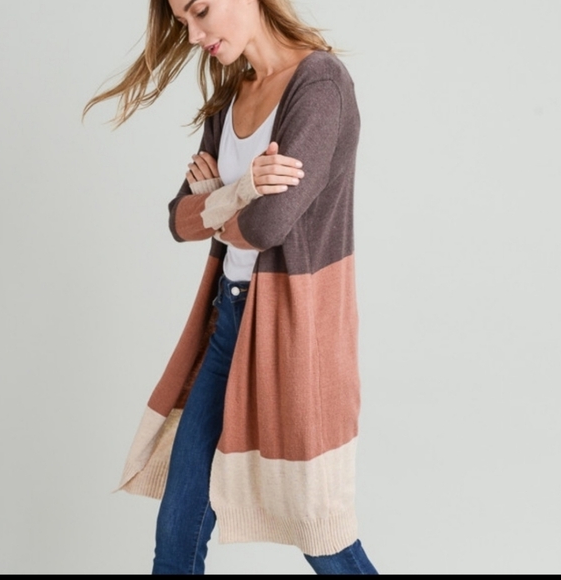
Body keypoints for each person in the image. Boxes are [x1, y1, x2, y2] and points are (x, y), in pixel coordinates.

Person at [84, 0, 378, 575]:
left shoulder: (319, 84)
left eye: (200, 11)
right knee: (178, 530)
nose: (194, 34)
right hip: (227, 325)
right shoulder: (230, 96)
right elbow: (178, 220)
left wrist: (217, 200)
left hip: (293, 334)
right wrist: (242, 190)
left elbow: (269, 226)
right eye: (182, 23)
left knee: (321, 531)